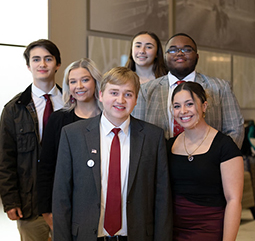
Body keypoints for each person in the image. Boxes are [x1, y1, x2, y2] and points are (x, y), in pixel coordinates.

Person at [52, 67, 172, 241]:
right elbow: (61, 196)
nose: (120, 100)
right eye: (114, 92)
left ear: (136, 99)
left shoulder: (153, 137)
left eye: (128, 94)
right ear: (101, 95)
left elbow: (162, 198)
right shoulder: (73, 135)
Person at [132, 32, 244, 148]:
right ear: (165, 57)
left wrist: (222, 157)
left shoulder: (220, 87)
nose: (179, 54)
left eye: (187, 50)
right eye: (173, 50)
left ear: (197, 56)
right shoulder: (146, 90)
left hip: (208, 162)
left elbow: (235, 129)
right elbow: (138, 132)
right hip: (161, 161)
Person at [0, 39, 63, 241]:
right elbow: (5, 159)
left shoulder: (72, 102)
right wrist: (10, 201)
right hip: (30, 205)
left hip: (66, 202)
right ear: (29, 66)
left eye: (48, 59)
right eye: (36, 59)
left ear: (58, 64)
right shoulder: (13, 109)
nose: (42, 64)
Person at [167, 81, 243, 241]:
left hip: (209, 230)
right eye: (176, 106)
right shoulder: (168, 145)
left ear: (204, 106)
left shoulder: (225, 146)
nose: (183, 111)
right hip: (171, 231)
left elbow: (234, 200)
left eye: (189, 104)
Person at [37, 58, 102, 230]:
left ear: (96, 82)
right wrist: (47, 210)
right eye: (72, 81)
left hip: (102, 205)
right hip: (67, 204)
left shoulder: (109, 119)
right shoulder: (58, 119)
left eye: (85, 79)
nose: (78, 86)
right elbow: (46, 166)